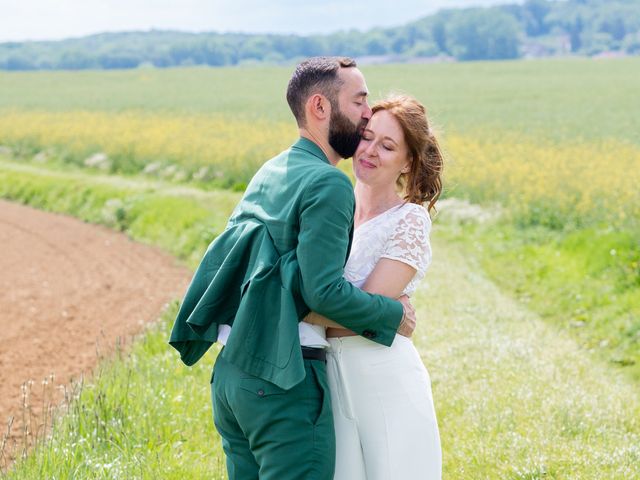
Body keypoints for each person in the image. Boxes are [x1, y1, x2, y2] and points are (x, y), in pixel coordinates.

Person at [169, 57, 416, 480]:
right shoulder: (329, 181)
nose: (366, 113)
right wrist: (393, 315)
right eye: (358, 101)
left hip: (233, 378)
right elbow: (321, 292)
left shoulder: (272, 170)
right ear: (320, 107)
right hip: (284, 378)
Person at [306, 94, 444, 479]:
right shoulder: (332, 206)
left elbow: (364, 315)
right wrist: (390, 314)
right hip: (329, 378)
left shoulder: (409, 220)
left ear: (408, 162)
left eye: (388, 146)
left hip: (384, 379)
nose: (370, 151)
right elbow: (370, 312)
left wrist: (289, 307)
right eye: (366, 137)